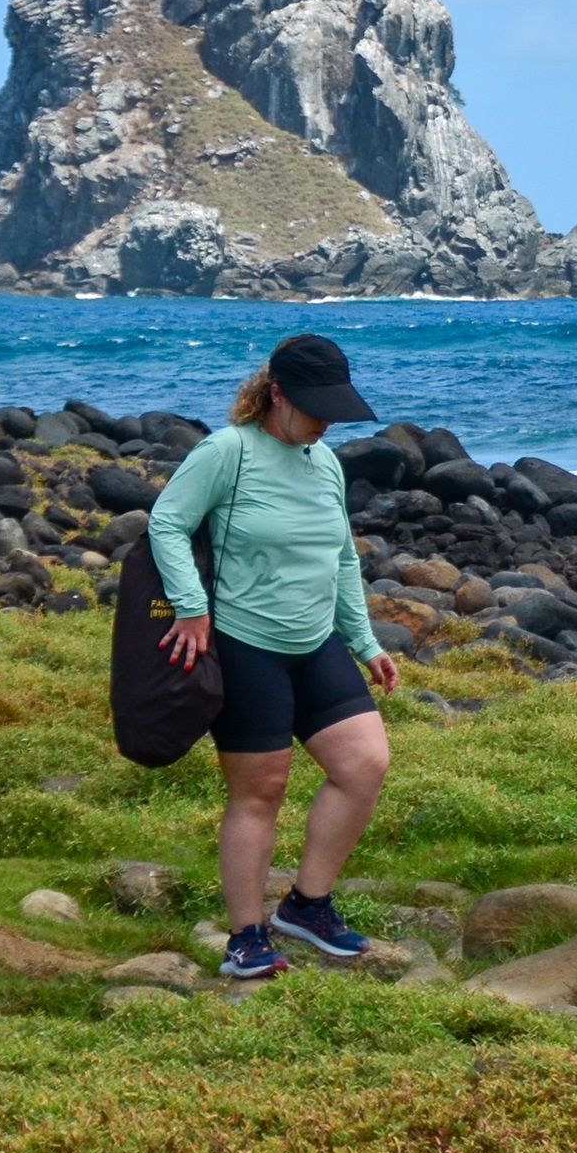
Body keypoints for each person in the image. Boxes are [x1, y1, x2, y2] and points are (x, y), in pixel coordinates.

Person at [147, 333, 399, 979]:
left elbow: (340, 556)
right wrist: (190, 605)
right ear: (277, 393)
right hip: (245, 643)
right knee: (260, 792)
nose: (324, 421)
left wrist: (364, 640)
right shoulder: (228, 452)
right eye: (314, 406)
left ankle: (308, 904)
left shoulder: (326, 462)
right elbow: (168, 523)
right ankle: (246, 937)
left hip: (314, 641)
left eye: (333, 409)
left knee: (365, 762)